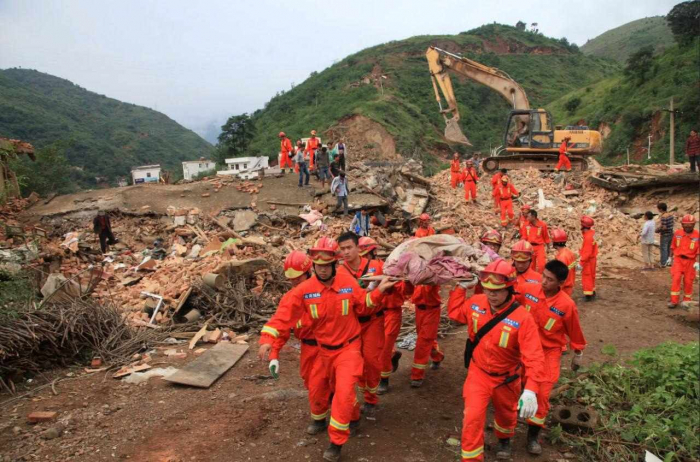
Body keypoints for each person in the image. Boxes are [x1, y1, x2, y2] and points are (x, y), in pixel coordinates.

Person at [257, 237, 395, 462]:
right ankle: (324, 419)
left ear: (334, 264)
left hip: (349, 350)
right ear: (313, 266)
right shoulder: (304, 291)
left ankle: (336, 442)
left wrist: (380, 292)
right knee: (317, 388)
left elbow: (364, 304)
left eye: (326, 265)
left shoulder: (347, 283)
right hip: (323, 352)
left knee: (342, 395)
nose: (322, 270)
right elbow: (282, 317)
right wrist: (267, 340)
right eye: (318, 266)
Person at [447, 260, 545, 461]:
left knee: (507, 415)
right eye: (487, 289)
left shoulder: (522, 318)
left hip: (506, 379)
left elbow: (534, 356)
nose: (491, 294)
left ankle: (504, 439)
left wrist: (531, 389)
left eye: (497, 290)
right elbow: (455, 313)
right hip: (479, 373)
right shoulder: (476, 303)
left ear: (509, 289)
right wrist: (459, 289)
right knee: (472, 419)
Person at [525, 260, 586, 454]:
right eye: (543, 276)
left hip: (548, 353)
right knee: (516, 386)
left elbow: (575, 331)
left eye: (549, 280)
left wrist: (578, 352)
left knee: (542, 394)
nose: (543, 281)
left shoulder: (566, 305)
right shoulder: (529, 291)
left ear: (560, 283)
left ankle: (533, 435)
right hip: (524, 348)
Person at [337, 232, 385, 415]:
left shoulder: (375, 266)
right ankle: (363, 393)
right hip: (353, 323)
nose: (347, 252)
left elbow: (392, 287)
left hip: (374, 320)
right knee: (357, 362)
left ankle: (371, 398)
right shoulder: (340, 273)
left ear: (358, 248)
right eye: (343, 249)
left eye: (349, 247)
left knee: (372, 359)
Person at [258, 251, 318, 394]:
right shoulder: (290, 298)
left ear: (308, 272)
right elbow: (282, 326)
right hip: (308, 347)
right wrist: (274, 355)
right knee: (310, 380)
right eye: (292, 279)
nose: (295, 282)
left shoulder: (322, 290)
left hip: (329, 345)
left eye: (298, 278)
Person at [668, 214, 699, 309]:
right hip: (678, 260)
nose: (688, 226)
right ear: (682, 225)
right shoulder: (677, 233)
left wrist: (698, 262)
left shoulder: (697, 235)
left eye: (690, 225)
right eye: (686, 225)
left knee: (688, 281)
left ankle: (687, 301)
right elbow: (672, 246)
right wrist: (670, 257)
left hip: (691, 261)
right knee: (676, 279)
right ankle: (674, 301)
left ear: (693, 225)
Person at [551, 229, 577, 296]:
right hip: (569, 285)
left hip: (563, 287)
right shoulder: (569, 252)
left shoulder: (561, 257)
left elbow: (560, 275)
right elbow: (572, 266)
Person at [579, 215, 599, 301]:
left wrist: (581, 263)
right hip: (592, 259)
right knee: (592, 276)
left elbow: (587, 252)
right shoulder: (592, 233)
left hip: (588, 260)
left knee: (587, 276)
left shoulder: (588, 237)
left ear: (583, 225)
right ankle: (592, 291)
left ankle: (588, 295)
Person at [657, 202, 674, 267]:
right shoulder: (670, 215)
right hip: (671, 233)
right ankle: (668, 262)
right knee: (669, 248)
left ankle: (663, 263)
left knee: (663, 248)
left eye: (658, 209)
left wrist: (658, 230)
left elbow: (664, 227)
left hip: (665, 234)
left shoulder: (663, 216)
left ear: (661, 209)